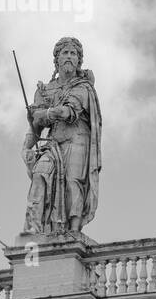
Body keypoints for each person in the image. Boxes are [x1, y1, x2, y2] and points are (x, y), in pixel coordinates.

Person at [23, 37, 102, 236]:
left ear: (79, 60)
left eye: (73, 53)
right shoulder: (45, 90)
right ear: (56, 59)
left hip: (77, 139)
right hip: (54, 142)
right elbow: (35, 126)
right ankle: (33, 228)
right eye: (64, 53)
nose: (69, 56)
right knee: (40, 174)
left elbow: (68, 112)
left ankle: (73, 230)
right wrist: (26, 147)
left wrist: (46, 114)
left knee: (73, 182)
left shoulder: (83, 87)